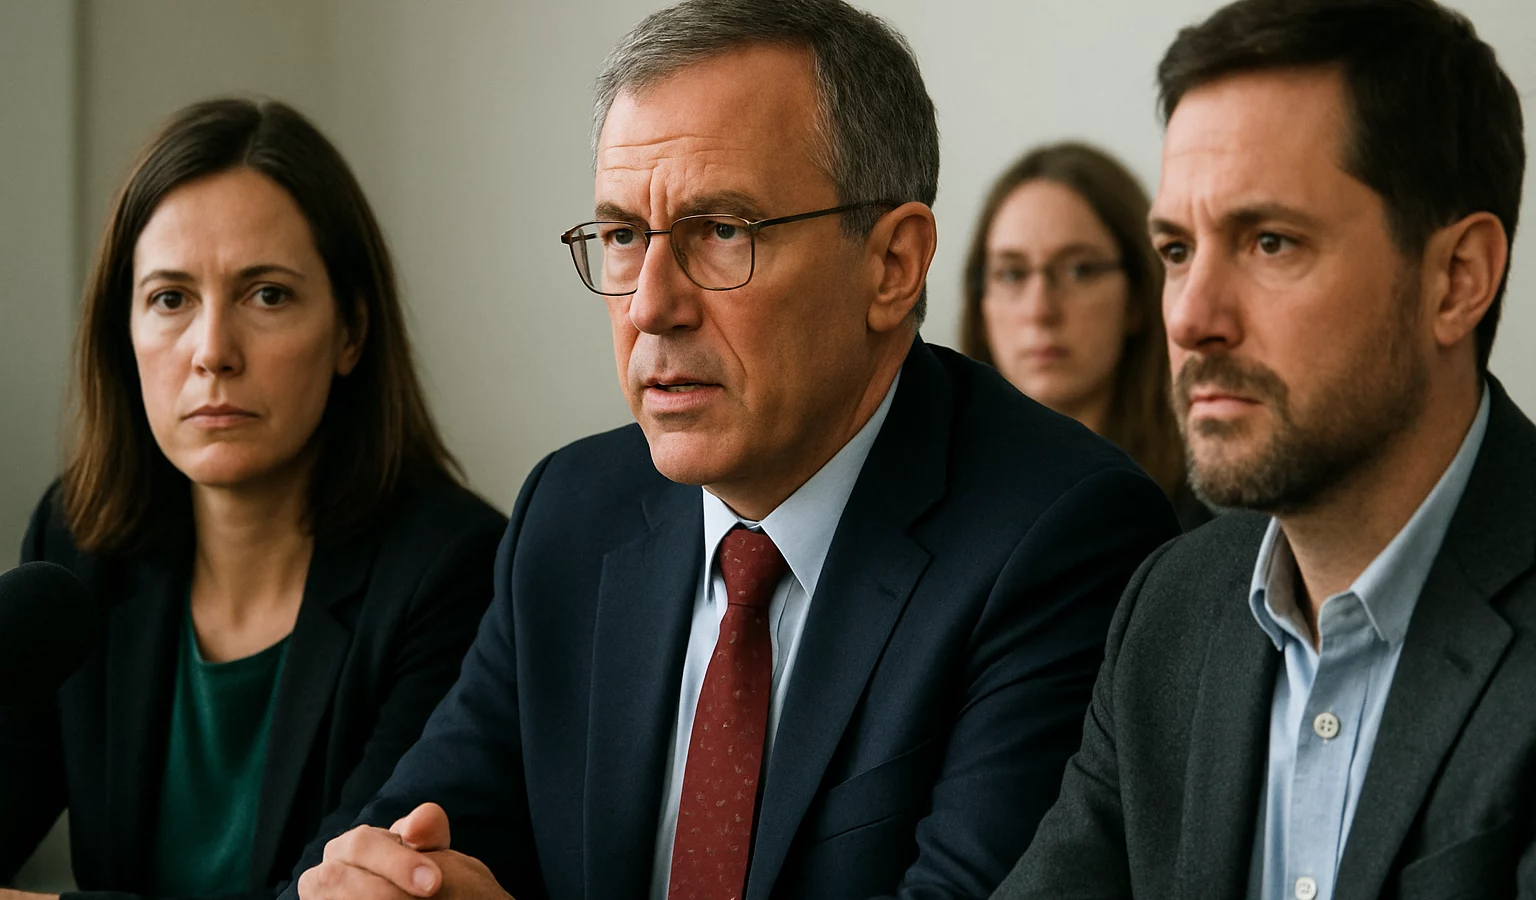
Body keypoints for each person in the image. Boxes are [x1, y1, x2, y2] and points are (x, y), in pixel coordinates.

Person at [288, 1, 1179, 899]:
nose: (650, 306)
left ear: (893, 265)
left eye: (721, 231)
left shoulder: (1062, 538)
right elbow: (407, 835)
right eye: (624, 236)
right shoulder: (572, 512)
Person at [994, 0, 1532, 897]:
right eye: (1175, 250)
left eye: (1270, 242)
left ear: (1456, 279)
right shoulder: (1169, 608)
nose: (1191, 318)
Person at [0, 99, 507, 900]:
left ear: (350, 332)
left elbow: (342, 897)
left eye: (266, 295)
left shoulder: (455, 574)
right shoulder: (79, 541)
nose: (212, 352)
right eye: (170, 298)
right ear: (122, 331)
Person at [961, 143, 1211, 530]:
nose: (1040, 310)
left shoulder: (1210, 504)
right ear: (980, 305)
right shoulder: (929, 495)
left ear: (1138, 298)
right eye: (1012, 274)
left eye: (1079, 270)